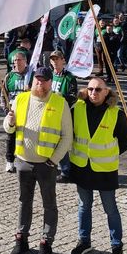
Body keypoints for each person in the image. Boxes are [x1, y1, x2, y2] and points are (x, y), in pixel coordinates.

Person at [4, 66, 73, 254]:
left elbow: (67, 136)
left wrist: (54, 160)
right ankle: (21, 240)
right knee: (23, 201)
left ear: (51, 82)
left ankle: (46, 243)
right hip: (23, 161)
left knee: (49, 204)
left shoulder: (60, 103)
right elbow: (9, 128)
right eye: (37, 79)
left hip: (46, 164)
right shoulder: (21, 99)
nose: (39, 83)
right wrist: (8, 122)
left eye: (43, 80)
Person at [69, 77, 127, 254]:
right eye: (90, 89)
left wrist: (109, 153)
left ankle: (116, 246)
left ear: (107, 92)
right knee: (83, 207)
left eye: (98, 89)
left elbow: (125, 141)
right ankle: (84, 241)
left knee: (110, 209)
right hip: (82, 167)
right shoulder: (77, 108)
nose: (93, 93)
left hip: (105, 170)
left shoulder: (116, 113)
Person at [48, 49, 78, 182]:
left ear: (63, 60)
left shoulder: (69, 77)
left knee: (63, 142)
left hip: (64, 115)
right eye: (52, 59)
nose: (55, 62)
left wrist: (62, 98)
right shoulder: (49, 76)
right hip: (50, 114)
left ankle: (66, 171)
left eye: (57, 59)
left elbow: (74, 97)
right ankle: (53, 165)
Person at [2, 51, 30, 173]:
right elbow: (3, 95)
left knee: (27, 137)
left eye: (19, 60)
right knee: (10, 137)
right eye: (14, 61)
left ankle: (27, 160)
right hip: (13, 113)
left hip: (28, 113)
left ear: (25, 61)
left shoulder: (30, 76)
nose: (16, 63)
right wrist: (6, 111)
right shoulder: (9, 76)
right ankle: (9, 162)